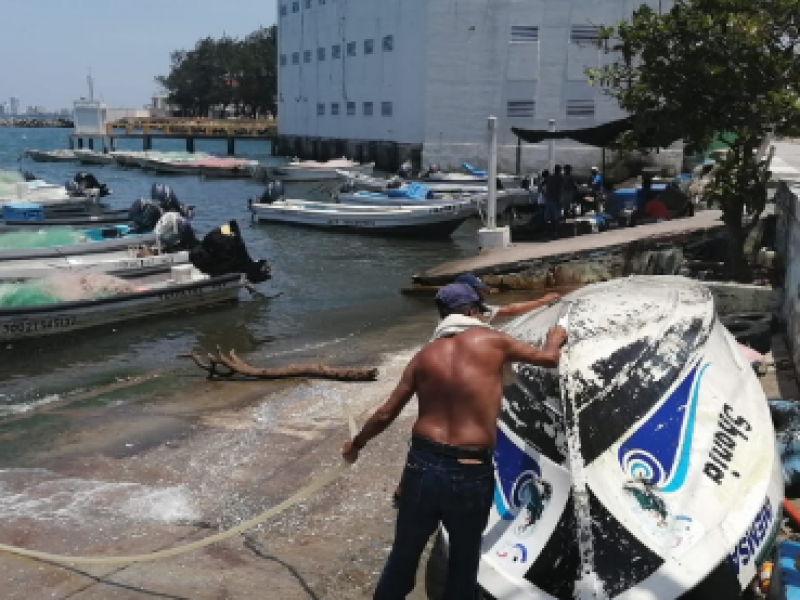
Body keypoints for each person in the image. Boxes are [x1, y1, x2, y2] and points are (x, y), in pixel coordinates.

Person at [343, 283, 567, 600]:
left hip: (421, 465)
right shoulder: (493, 341)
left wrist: (356, 444)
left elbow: (385, 413)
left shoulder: (424, 356)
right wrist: (554, 338)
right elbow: (548, 359)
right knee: (463, 565)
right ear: (473, 311)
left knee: (403, 557)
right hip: (470, 469)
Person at [453, 272, 560, 322]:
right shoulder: (474, 310)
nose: (481, 294)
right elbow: (509, 310)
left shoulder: (448, 310)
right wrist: (543, 301)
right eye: (478, 291)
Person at [543, 164, 564, 238]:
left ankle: (548, 232)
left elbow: (542, 184)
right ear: (559, 170)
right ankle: (556, 232)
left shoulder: (549, 177)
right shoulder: (560, 178)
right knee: (557, 218)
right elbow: (563, 188)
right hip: (556, 200)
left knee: (548, 218)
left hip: (548, 199)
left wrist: (544, 194)